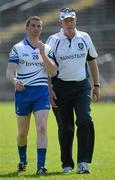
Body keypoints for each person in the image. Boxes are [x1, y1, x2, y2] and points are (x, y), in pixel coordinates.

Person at [46, 8, 100, 174]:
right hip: (60, 88)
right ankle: (67, 164)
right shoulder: (53, 40)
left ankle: (83, 162)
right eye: (66, 20)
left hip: (81, 86)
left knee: (85, 119)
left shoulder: (84, 37)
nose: (69, 22)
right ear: (60, 22)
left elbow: (92, 61)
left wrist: (96, 85)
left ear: (75, 21)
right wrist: (49, 89)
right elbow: (47, 67)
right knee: (65, 127)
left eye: (71, 19)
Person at [6, 16, 57, 175]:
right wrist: (15, 81)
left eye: (39, 26)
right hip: (23, 93)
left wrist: (42, 53)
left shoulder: (47, 48)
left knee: (42, 128)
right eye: (33, 25)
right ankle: (22, 160)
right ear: (27, 27)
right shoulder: (18, 48)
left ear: (41, 28)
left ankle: (41, 166)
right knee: (22, 133)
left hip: (41, 92)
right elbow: (9, 72)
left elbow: (53, 71)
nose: (36, 28)